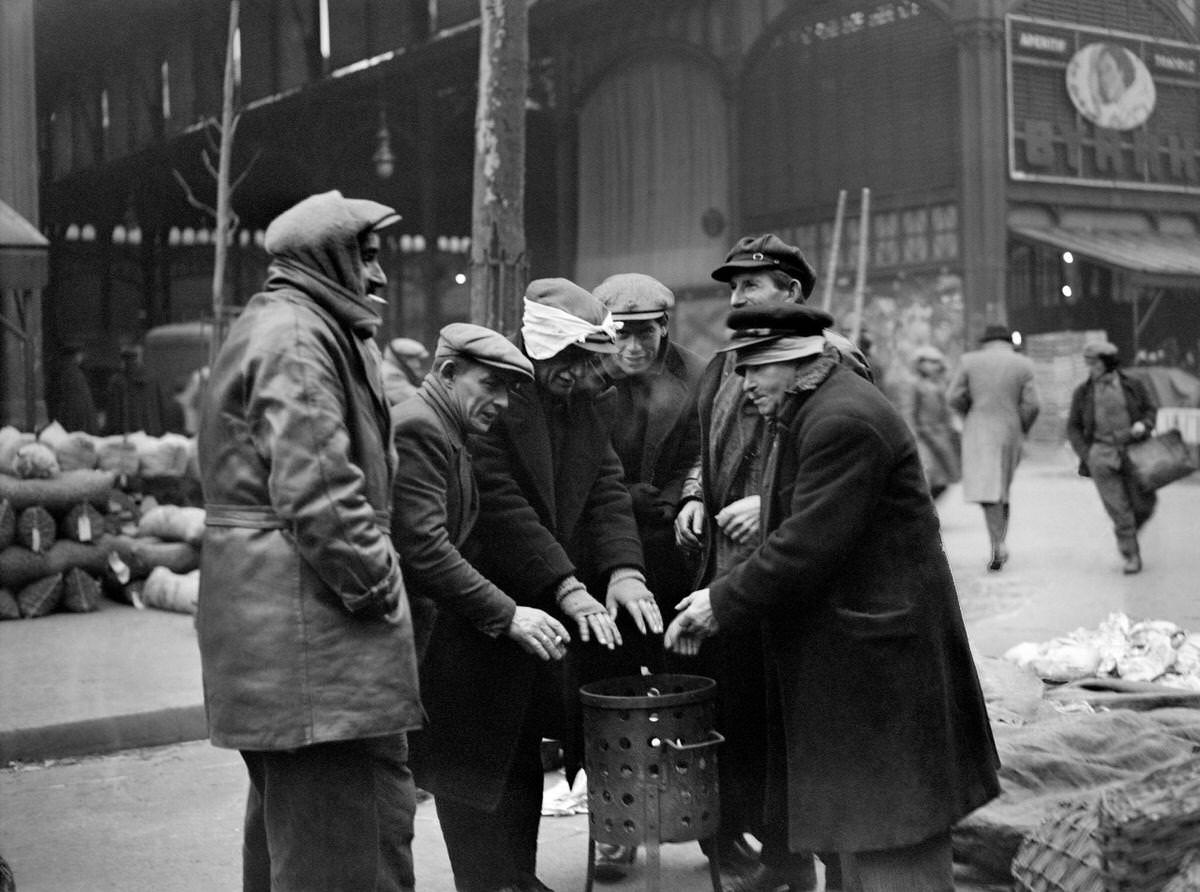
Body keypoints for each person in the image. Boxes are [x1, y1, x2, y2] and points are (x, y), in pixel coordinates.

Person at [665, 303, 1000, 892]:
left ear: (794, 363)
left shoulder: (841, 420)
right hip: (858, 653)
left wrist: (719, 602)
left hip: (880, 662)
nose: (743, 387)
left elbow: (805, 544)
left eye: (753, 371)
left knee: (895, 832)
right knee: (863, 831)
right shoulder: (812, 410)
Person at [195, 190, 422, 892]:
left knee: (301, 851)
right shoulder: (298, 335)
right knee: (350, 860)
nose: (379, 276)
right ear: (325, 258)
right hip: (317, 653)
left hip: (287, 651)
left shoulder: (286, 325)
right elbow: (320, 493)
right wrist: (381, 590)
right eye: (367, 255)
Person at [428, 278, 660, 892]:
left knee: (526, 743)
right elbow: (503, 507)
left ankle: (517, 877)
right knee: (481, 751)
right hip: (487, 597)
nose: (584, 375)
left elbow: (607, 489)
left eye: (591, 361)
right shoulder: (495, 390)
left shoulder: (586, 399)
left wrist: (625, 571)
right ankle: (487, 880)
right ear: (541, 347)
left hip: (542, 605)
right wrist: (567, 587)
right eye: (573, 360)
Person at [674, 233, 869, 891]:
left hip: (797, 581)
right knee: (751, 730)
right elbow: (702, 450)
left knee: (803, 737)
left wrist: (769, 503)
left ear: (791, 293)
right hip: (730, 580)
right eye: (732, 289)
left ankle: (825, 867)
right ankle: (781, 859)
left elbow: (843, 470)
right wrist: (696, 497)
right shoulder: (724, 365)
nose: (737, 299)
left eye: (750, 286)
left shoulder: (833, 363)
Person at [390, 321, 573, 892]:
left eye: (508, 392)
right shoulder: (421, 427)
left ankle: (504, 879)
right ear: (447, 373)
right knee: (454, 769)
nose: (498, 403)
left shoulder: (448, 427)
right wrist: (509, 613)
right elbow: (423, 547)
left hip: (437, 625)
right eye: (488, 385)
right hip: (411, 632)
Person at [588, 272, 705, 879]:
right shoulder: (583, 376)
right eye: (620, 336)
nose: (632, 349)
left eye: (645, 335)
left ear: (666, 327)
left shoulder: (699, 375)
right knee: (609, 693)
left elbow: (708, 450)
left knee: (689, 686)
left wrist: (694, 494)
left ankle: (716, 826)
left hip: (674, 555)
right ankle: (617, 825)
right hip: (602, 557)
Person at [947, 324, 1040, 571]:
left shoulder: (969, 361)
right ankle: (999, 542)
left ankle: (998, 544)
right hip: (1011, 428)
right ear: (1009, 341)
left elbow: (953, 396)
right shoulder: (1023, 364)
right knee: (1002, 489)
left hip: (979, 428)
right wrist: (1022, 426)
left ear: (985, 341)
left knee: (989, 490)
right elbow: (1033, 404)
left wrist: (971, 412)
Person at [1066, 340, 1158, 574]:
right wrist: (1087, 455)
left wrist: (1144, 425)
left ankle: (1128, 533)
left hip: (1134, 452)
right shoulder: (1083, 392)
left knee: (1144, 504)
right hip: (1101, 456)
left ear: (1108, 362)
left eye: (1094, 362)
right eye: (1088, 363)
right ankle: (1131, 555)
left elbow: (1150, 410)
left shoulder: (1133, 385)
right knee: (1119, 509)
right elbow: (1074, 427)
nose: (1091, 368)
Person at [903, 345, 960, 501]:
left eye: (937, 362)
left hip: (940, 435)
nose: (934, 366)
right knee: (927, 474)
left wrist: (952, 429)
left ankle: (928, 510)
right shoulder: (915, 384)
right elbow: (909, 411)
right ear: (920, 363)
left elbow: (946, 411)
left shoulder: (939, 384)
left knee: (943, 479)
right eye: (930, 362)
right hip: (922, 435)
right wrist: (911, 435)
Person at [102, 342, 172, 435]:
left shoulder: (117, 381)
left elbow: (112, 412)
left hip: (126, 433)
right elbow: (160, 406)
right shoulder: (151, 378)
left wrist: (109, 432)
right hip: (151, 431)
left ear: (123, 360)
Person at [45, 341, 98, 433]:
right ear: (76, 355)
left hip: (63, 421)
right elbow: (80, 403)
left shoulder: (61, 370)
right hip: (75, 423)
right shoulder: (74, 373)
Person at [382, 336, 430, 404]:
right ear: (401, 358)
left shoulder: (390, 368)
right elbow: (417, 401)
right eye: (412, 359)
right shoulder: (391, 375)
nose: (418, 365)